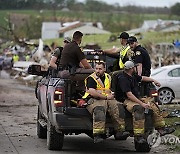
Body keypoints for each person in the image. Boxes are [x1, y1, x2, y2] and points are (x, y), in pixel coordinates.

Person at [117, 61, 175, 143]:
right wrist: (142, 103)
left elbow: (142, 78)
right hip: (126, 100)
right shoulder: (123, 78)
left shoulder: (132, 75)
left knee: (153, 105)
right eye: (134, 67)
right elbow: (129, 95)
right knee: (139, 108)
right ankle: (138, 136)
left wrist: (153, 80)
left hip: (136, 98)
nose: (135, 68)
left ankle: (161, 129)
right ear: (131, 68)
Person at [82, 62, 129, 143]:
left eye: (100, 69)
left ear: (104, 69)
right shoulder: (91, 78)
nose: (98, 71)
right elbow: (92, 92)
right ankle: (97, 134)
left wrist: (112, 94)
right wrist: (106, 97)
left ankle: (120, 131)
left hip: (108, 98)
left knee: (118, 106)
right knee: (99, 109)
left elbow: (111, 89)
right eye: (96, 68)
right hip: (94, 99)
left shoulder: (108, 77)